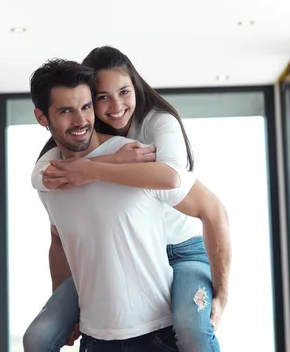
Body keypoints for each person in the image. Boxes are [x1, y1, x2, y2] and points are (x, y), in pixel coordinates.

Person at [24, 47, 230, 352]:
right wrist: (67, 308)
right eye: (67, 110)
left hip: (183, 252)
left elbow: (192, 194)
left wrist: (222, 296)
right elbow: (58, 238)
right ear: (42, 117)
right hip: (100, 332)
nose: (82, 118)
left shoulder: (143, 147)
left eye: (84, 107)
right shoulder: (51, 173)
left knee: (193, 332)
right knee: (37, 339)